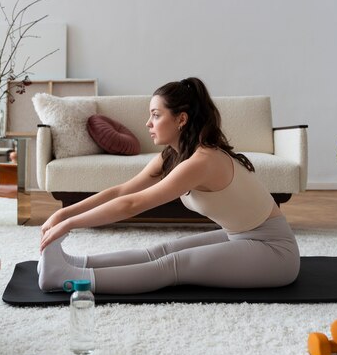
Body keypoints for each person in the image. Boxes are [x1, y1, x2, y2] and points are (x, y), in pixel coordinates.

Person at [38, 77, 300, 294]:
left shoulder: (203, 160)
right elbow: (121, 191)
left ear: (181, 119)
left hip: (273, 251)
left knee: (173, 265)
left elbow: (132, 204)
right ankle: (74, 264)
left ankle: (68, 279)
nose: (148, 124)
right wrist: (64, 213)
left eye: (155, 115)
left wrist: (70, 224)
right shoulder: (172, 156)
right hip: (240, 235)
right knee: (160, 251)